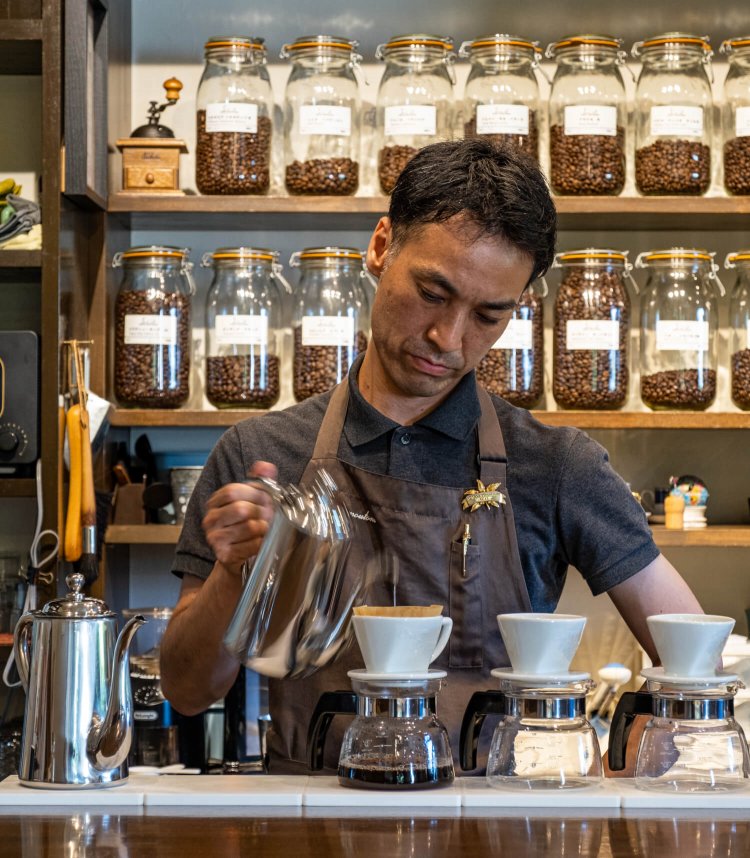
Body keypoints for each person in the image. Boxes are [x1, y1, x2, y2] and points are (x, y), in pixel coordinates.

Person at [160, 138, 703, 772]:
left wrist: (634, 752)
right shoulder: (263, 454)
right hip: (307, 826)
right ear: (382, 245)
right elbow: (188, 691)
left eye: (489, 316)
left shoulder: (556, 465)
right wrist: (235, 575)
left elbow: (695, 655)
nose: (449, 338)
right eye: (433, 293)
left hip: (497, 834)